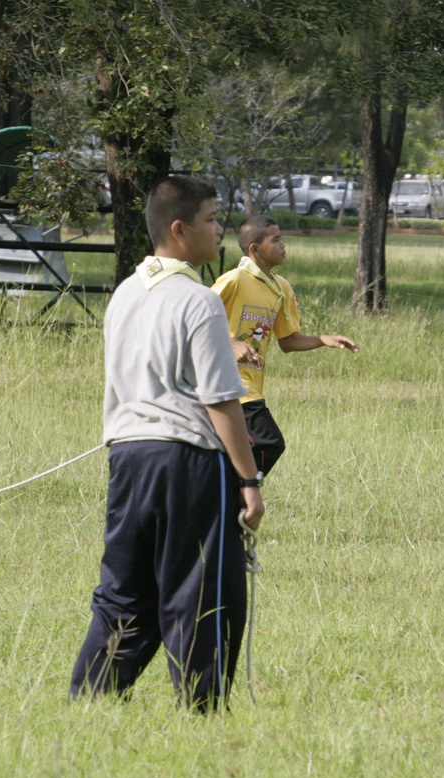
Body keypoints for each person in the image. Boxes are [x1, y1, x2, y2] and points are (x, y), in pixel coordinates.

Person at [70, 175, 265, 713]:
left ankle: (90, 699)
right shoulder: (199, 300)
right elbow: (221, 400)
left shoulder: (125, 294)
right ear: (179, 230)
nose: (219, 228)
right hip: (188, 460)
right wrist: (249, 481)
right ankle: (201, 711)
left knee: (124, 592)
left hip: (128, 457)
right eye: (210, 219)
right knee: (201, 592)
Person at [212, 215, 359, 477]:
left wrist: (322, 339)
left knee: (237, 448)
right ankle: (241, 490)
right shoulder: (233, 280)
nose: (283, 245)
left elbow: (288, 341)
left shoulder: (281, 287)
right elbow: (195, 320)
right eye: (276, 240)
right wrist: (230, 343)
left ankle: (227, 491)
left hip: (252, 383)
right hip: (229, 381)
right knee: (268, 442)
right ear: (255, 249)